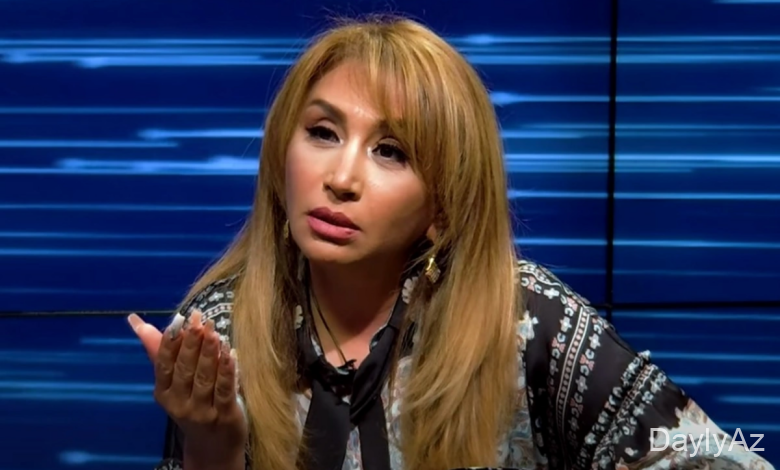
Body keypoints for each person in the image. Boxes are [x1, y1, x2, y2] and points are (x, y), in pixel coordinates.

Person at [127, 15, 775, 470]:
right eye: (323, 133)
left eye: (391, 151)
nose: (341, 178)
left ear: (442, 208)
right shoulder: (221, 330)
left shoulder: (526, 320)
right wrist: (212, 450)